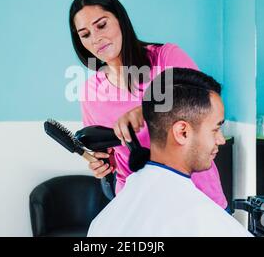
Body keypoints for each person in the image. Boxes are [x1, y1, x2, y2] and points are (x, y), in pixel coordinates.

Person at [69, 0, 227, 210]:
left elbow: (208, 102)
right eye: (85, 34)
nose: (96, 39)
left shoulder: (165, 57)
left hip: (196, 198)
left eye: (101, 25)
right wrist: (104, 163)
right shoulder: (91, 92)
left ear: (120, 20)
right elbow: (112, 153)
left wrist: (148, 110)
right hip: (138, 205)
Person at [87, 68, 252, 237]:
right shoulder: (208, 222)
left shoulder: (102, 221)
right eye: (216, 129)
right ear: (182, 132)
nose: (221, 140)